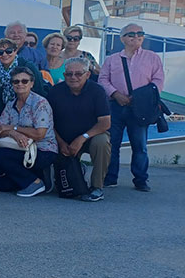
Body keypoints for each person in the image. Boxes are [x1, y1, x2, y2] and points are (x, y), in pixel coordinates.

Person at [99, 23, 164, 192]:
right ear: (122, 39)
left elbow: (158, 81)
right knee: (112, 144)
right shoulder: (111, 60)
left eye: (140, 33)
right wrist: (115, 94)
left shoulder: (152, 58)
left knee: (140, 146)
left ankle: (141, 179)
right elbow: (103, 80)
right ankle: (110, 177)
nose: (136, 36)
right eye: (131, 34)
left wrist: (140, 97)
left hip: (140, 108)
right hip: (116, 106)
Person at [49, 58, 111, 201]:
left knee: (102, 142)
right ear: (64, 75)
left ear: (88, 74)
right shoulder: (55, 92)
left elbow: (105, 123)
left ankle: (97, 187)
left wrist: (82, 138)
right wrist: (60, 142)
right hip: (62, 139)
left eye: (78, 73)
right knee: (66, 189)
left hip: (89, 137)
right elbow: (47, 122)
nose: (73, 77)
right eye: (69, 74)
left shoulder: (97, 91)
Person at [0, 67, 57, 197]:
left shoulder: (40, 104)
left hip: (43, 150)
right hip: (19, 148)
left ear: (32, 83)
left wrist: (14, 128)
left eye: (24, 81)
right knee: (2, 186)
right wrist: (13, 134)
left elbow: (40, 134)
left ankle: (35, 182)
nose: (20, 84)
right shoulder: (11, 104)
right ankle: (38, 176)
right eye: (16, 82)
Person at [0, 38, 46, 113]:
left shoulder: (28, 66)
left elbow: (39, 89)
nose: (4, 54)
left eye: (9, 51)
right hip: (5, 112)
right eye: (0, 52)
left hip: (29, 110)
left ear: (15, 51)